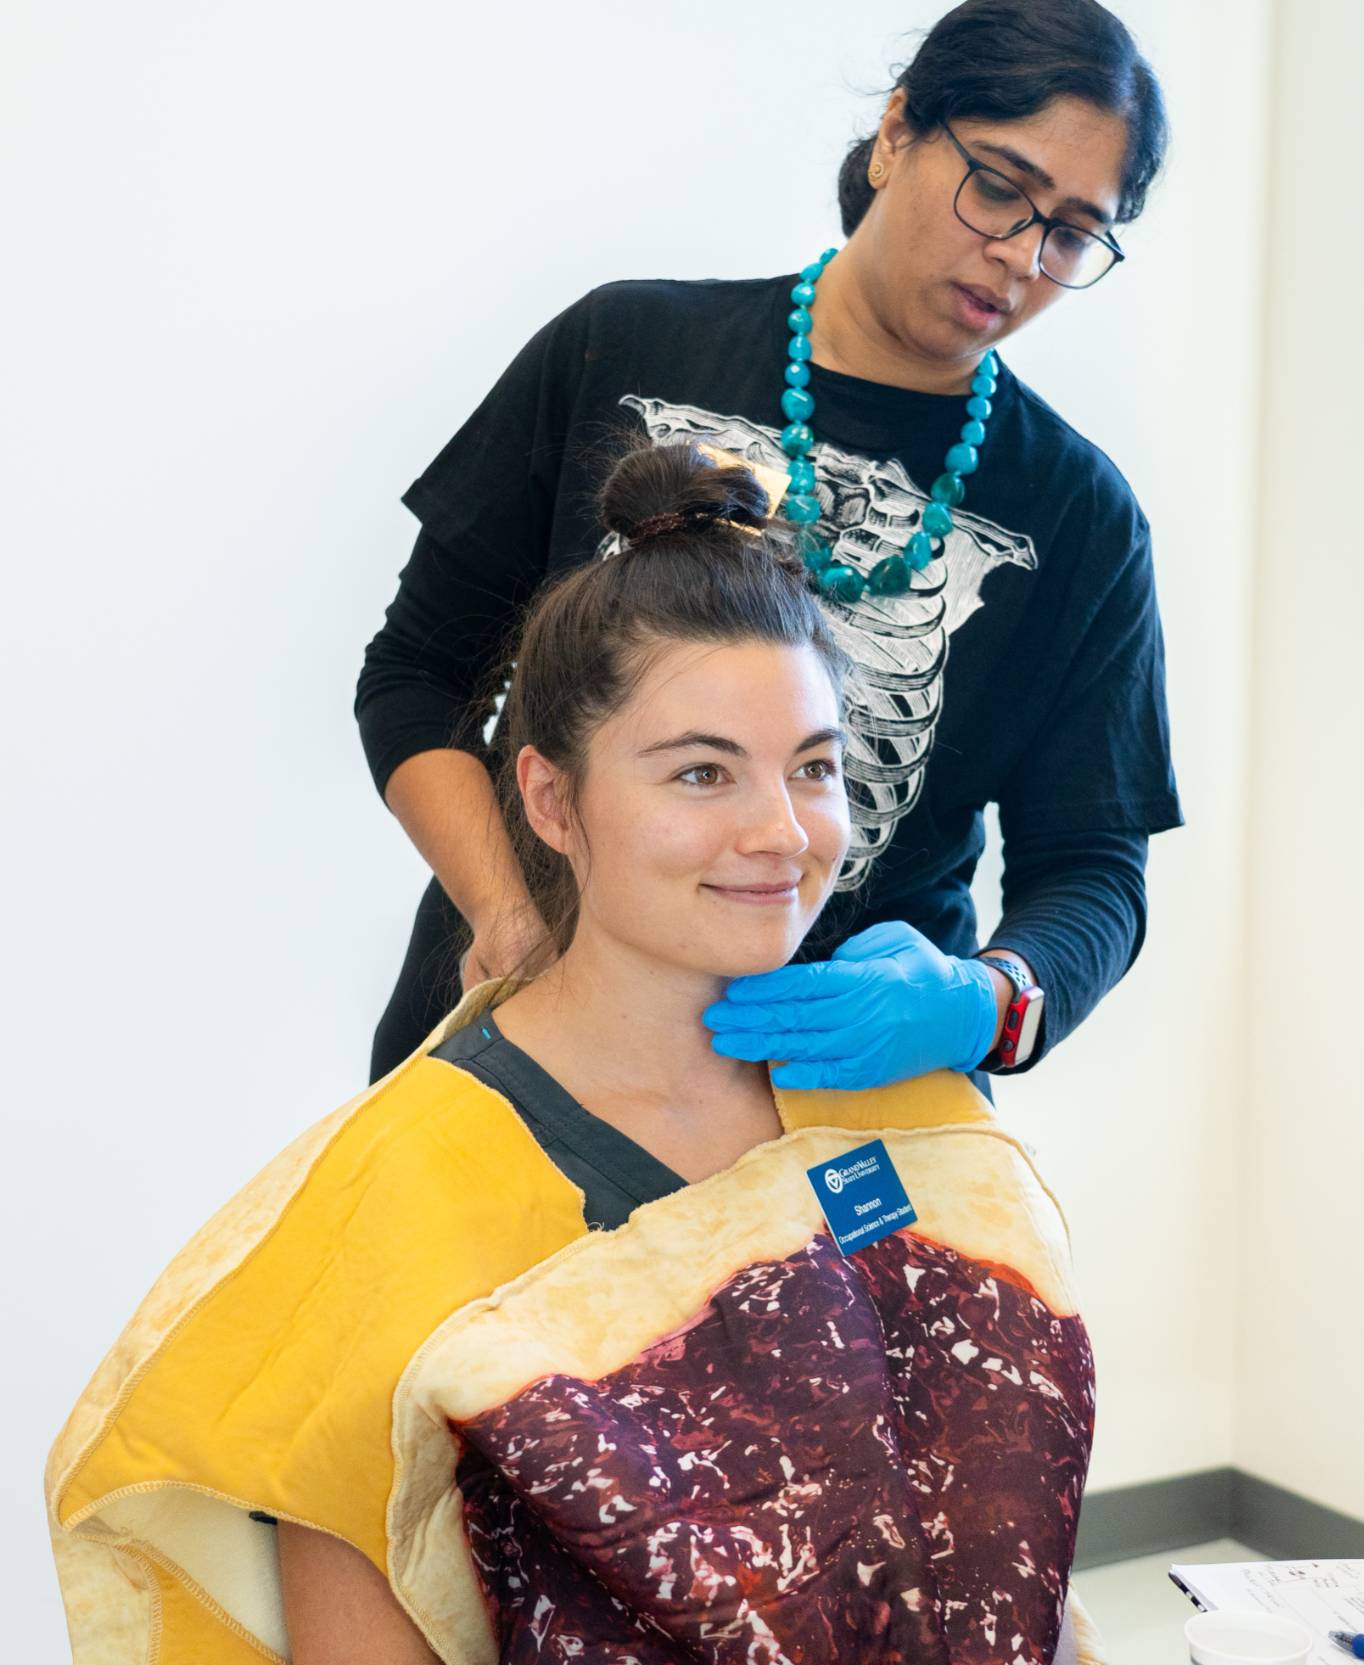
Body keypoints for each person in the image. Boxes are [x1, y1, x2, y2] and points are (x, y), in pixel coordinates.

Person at [49, 445, 1103, 1665]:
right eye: (701, 772)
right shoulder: (397, 1194)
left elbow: (1013, 1537)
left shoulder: (897, 1101)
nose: (779, 832)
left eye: (813, 767)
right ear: (549, 801)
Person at [358, 0, 1180, 1090]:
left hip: (843, 1104)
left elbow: (1090, 868)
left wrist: (976, 1001)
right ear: (896, 135)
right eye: (999, 188)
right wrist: (513, 924)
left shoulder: (1078, 514)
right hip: (523, 1033)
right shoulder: (625, 343)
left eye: (1071, 232)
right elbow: (415, 677)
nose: (1020, 258)